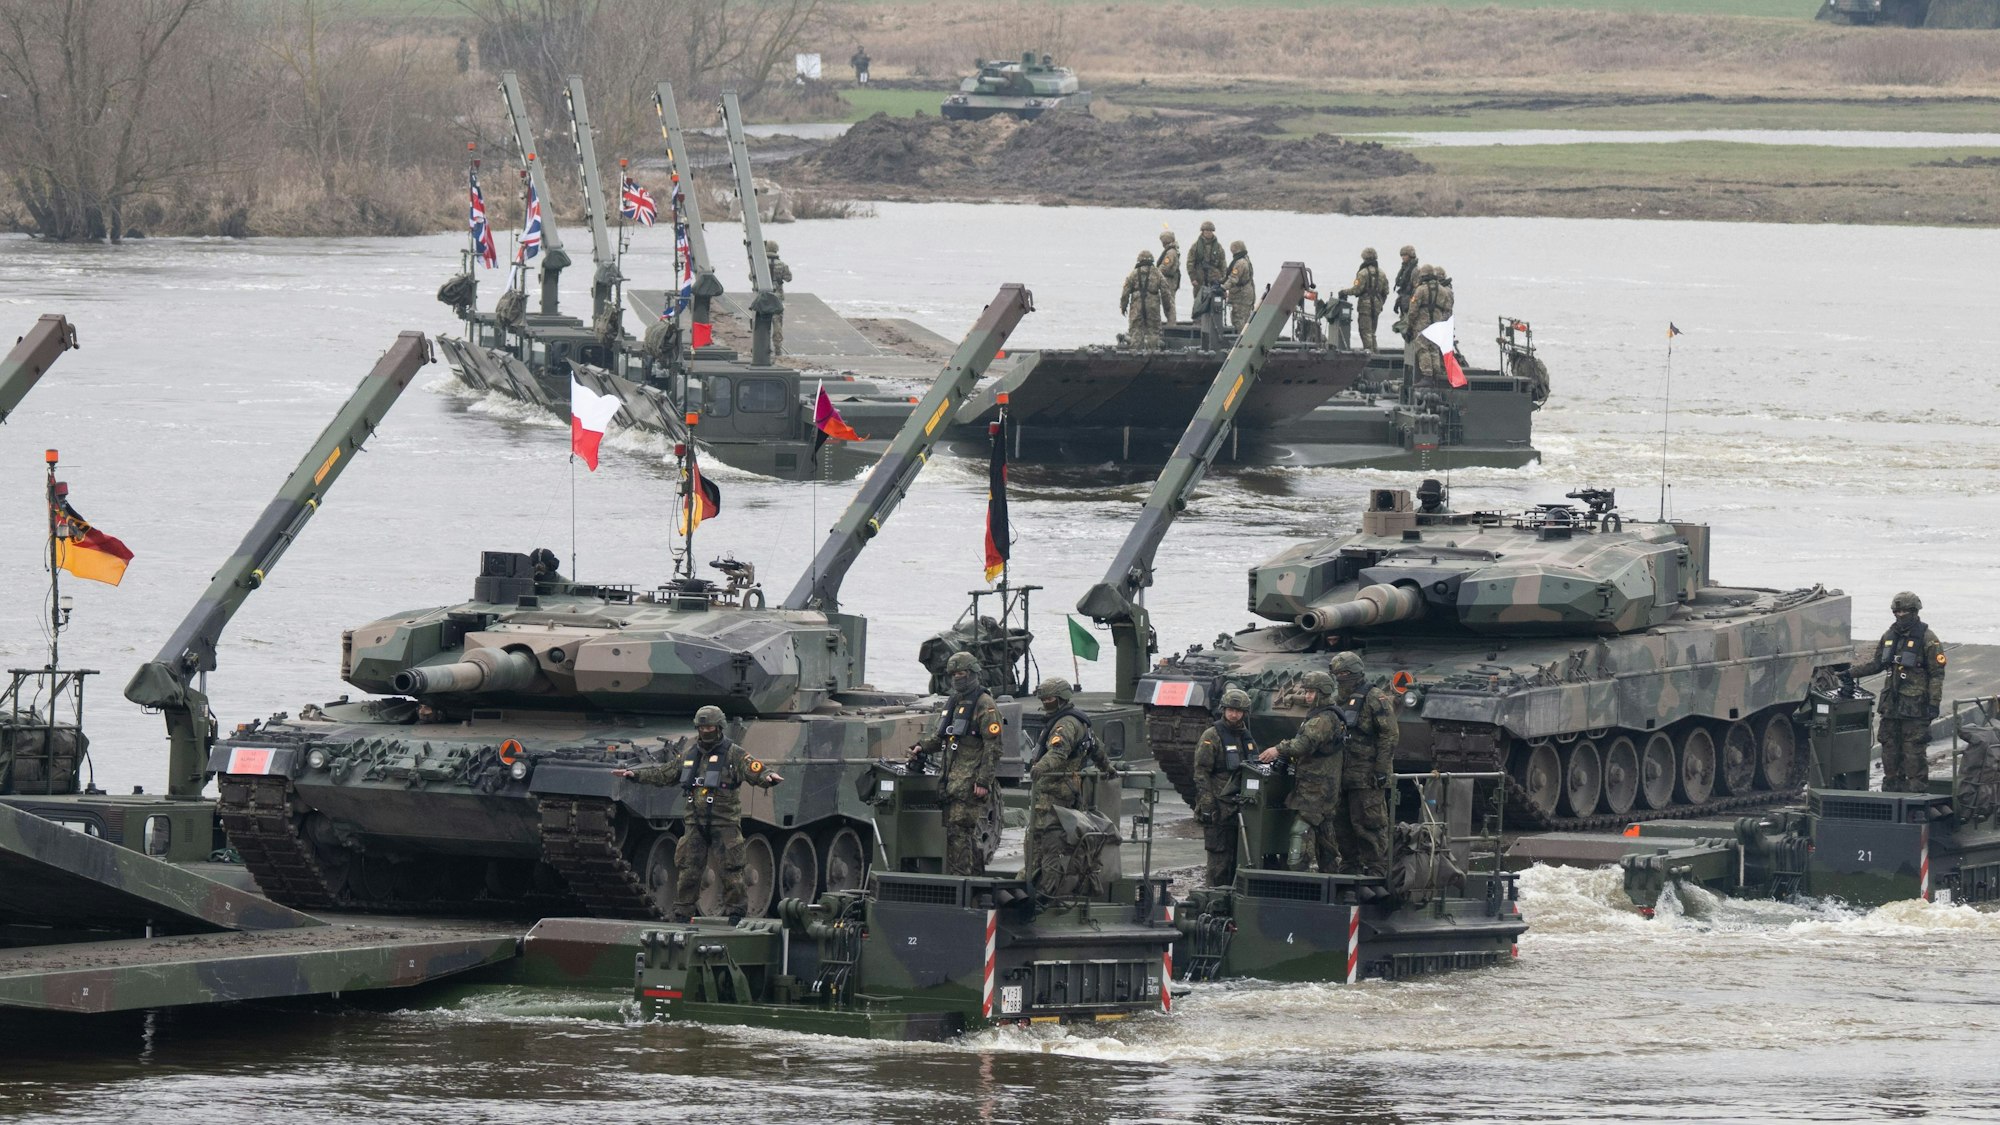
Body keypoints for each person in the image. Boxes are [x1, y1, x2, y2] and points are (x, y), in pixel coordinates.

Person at [616, 705, 783, 922]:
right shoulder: (690, 755)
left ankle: (736, 912)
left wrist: (767, 777)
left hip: (725, 823)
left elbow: (754, 767)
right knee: (688, 871)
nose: (706, 731)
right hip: (695, 822)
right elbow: (665, 773)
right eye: (702, 727)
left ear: (720, 727)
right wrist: (634, 774)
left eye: (711, 727)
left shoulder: (733, 753)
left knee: (732, 871)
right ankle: (683, 912)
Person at [911, 651, 1003, 875]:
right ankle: (975, 881)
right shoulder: (955, 702)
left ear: (972, 673)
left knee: (958, 833)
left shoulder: (984, 704)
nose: (957, 678)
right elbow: (943, 736)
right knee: (962, 835)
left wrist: (983, 781)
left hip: (970, 783)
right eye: (953, 674)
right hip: (951, 781)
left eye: (961, 673)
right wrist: (922, 746)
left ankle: (959, 883)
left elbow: (994, 747)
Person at [1848, 591, 1947, 792]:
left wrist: (1933, 704)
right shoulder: (1889, 636)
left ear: (1915, 611)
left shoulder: (1928, 639)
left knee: (1913, 754)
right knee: (1889, 752)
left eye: (1905, 611)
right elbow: (1877, 663)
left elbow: (1937, 674)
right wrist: (1849, 673)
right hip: (1891, 707)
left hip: (1916, 708)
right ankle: (1891, 793)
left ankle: (1916, 797)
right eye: (1898, 611)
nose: (1901, 615)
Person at [1026, 677, 1112, 894]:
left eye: (1050, 699)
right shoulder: (1080, 722)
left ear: (1062, 699)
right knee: (1050, 844)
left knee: (1046, 845)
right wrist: (1107, 768)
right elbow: (1097, 750)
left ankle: (1044, 893)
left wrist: (1040, 767)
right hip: (1066, 791)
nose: (1046, 703)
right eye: (1043, 699)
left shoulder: (1064, 724)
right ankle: (1040, 885)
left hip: (1053, 793)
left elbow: (1058, 752)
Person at [1258, 671, 1346, 873]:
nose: (1307, 697)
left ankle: (1297, 877)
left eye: (1311, 693)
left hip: (1316, 787)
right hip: (1323, 785)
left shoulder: (1322, 719)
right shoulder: (1327, 714)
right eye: (1306, 692)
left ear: (1323, 693)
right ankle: (1331, 876)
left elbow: (1303, 745)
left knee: (1300, 830)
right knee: (1324, 833)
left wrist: (1277, 749)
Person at [1328, 652, 1397, 880]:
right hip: (1341, 773)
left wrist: (1381, 769)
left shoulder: (1374, 697)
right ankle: (1350, 867)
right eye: (1337, 674)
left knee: (1369, 823)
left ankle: (1377, 869)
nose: (1341, 678)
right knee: (1342, 824)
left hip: (1366, 774)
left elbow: (1389, 734)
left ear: (1356, 673)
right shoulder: (1336, 699)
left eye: (1345, 674)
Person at [1193, 687, 1258, 887]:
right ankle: (1214, 898)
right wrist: (1208, 805)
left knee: (1240, 858)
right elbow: (1201, 773)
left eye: (1238, 711)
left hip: (1241, 807)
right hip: (1218, 808)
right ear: (1224, 709)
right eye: (1230, 710)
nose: (1234, 714)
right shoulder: (1212, 735)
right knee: (1219, 860)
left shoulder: (1246, 737)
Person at [1407, 265, 1453, 387]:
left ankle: (1427, 376)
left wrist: (1410, 326)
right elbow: (1448, 309)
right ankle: (1436, 375)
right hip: (1437, 324)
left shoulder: (1420, 290)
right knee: (1434, 348)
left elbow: (1413, 310)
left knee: (1422, 348)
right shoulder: (1443, 290)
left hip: (1423, 323)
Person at [1338, 248, 1390, 352]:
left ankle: (1369, 353)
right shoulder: (1382, 273)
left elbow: (1357, 290)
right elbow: (1386, 291)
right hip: (1377, 305)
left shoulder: (1362, 273)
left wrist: (1344, 292)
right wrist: (1380, 303)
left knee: (1365, 331)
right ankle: (1375, 352)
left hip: (1365, 306)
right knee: (1372, 332)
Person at [1120, 249, 1168, 350]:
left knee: (1136, 329)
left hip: (1137, 304)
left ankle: (1136, 354)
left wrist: (1123, 307)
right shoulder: (1157, 273)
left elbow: (1125, 292)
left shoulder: (1133, 274)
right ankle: (1153, 352)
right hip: (1153, 304)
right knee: (1153, 329)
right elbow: (1165, 291)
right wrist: (1166, 306)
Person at [764, 239, 792, 356]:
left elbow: (751, 277)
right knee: (777, 323)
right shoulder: (782, 264)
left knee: (762, 322)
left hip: (764, 297)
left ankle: (763, 347)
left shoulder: (761, 263)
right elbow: (788, 278)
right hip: (777, 298)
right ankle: (778, 349)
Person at [1186, 220, 1227, 295]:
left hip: (1214, 279)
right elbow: (1190, 263)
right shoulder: (1195, 246)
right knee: (1199, 303)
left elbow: (1223, 263)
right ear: (1202, 232)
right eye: (1206, 231)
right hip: (1199, 279)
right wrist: (1193, 278)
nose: (1208, 233)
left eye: (1210, 231)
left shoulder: (1218, 247)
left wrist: (1223, 279)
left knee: (1215, 302)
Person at [1223, 240, 1255, 332]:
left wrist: (1223, 287)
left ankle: (1241, 340)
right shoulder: (1246, 259)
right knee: (1245, 318)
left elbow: (1234, 278)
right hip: (1246, 294)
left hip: (1241, 296)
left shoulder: (1240, 263)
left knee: (1239, 319)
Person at [1392, 245, 1420, 336]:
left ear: (1410, 255)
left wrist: (1412, 303)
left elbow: (1416, 289)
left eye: (1405, 255)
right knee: (1404, 328)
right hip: (1404, 301)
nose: (1403, 257)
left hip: (1409, 302)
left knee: (1408, 329)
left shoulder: (1415, 270)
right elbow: (1402, 287)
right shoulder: (1404, 269)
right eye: (1402, 255)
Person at [1155, 231, 1182, 323]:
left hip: (1169, 280)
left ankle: (1171, 322)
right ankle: (1171, 321)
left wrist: (1154, 273)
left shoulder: (1170, 252)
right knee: (1168, 301)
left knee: (1169, 302)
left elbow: (1165, 266)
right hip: (1169, 279)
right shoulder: (1172, 250)